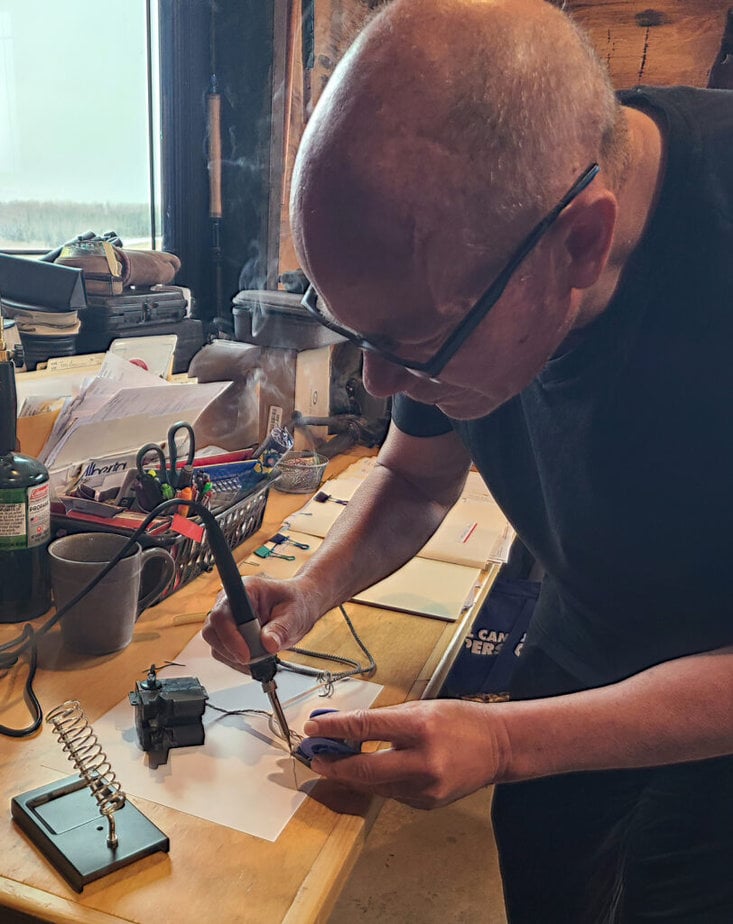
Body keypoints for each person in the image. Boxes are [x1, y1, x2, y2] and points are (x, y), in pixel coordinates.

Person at [203, 0, 733, 919]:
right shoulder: (465, 239)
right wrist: (314, 588)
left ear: (580, 243)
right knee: (547, 874)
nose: (378, 378)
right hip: (583, 639)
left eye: (412, 343)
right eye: (355, 334)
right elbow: (414, 477)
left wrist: (507, 744)